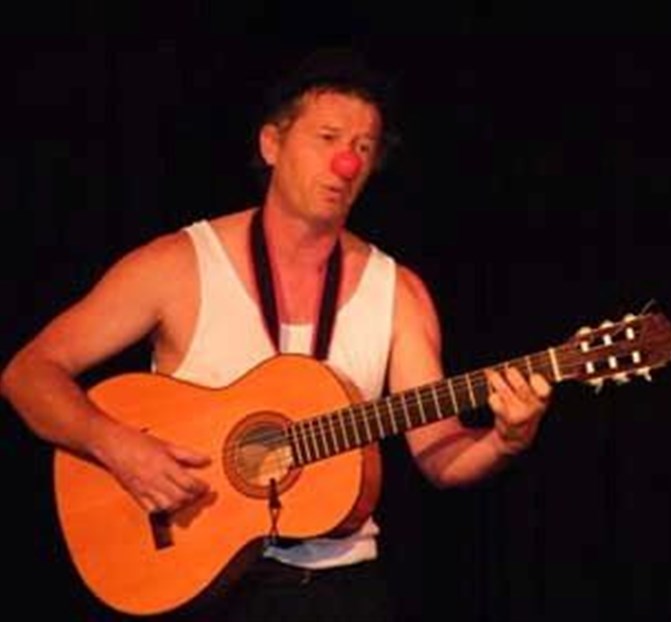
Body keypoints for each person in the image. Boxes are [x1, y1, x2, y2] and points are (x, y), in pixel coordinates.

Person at [0, 48, 552, 621]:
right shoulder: (177, 265)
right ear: (271, 144)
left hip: (336, 590)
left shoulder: (398, 292)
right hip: (195, 581)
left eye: (363, 148)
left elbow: (441, 455)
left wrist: (504, 441)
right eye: (328, 138)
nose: (346, 163)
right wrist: (116, 445)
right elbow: (28, 373)